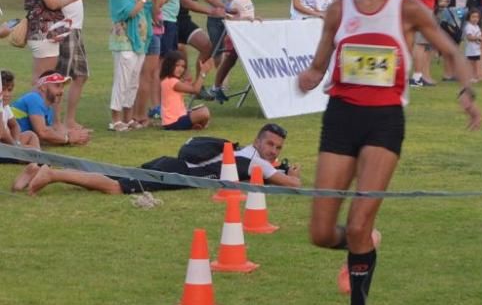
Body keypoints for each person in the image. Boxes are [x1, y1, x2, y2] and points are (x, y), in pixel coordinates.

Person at [297, 0, 481, 305]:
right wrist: (309, 75)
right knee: (321, 233)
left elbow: (449, 47)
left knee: (359, 220)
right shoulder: (339, 9)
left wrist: (467, 90)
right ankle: (365, 245)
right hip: (341, 116)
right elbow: (320, 63)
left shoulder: (407, 8)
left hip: (384, 121)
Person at [15, 122, 302, 196]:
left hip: (171, 164)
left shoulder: (244, 152)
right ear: (258, 141)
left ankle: (36, 169)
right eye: (270, 144)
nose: (273, 151)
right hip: (176, 173)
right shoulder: (258, 163)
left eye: (277, 147)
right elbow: (291, 185)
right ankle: (53, 174)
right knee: (115, 187)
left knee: (115, 178)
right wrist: (295, 175)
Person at [134, 0, 180, 127]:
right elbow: (153, 6)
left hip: (157, 31)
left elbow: (160, 2)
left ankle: (142, 113)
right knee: (145, 75)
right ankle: (139, 114)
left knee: (150, 73)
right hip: (147, 32)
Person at [49, 0, 90, 129]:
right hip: (63, 29)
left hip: (77, 28)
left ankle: (69, 120)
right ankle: (56, 122)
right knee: (59, 79)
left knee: (81, 75)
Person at [107, 0, 154, 131]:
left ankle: (128, 118)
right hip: (123, 42)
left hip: (139, 42)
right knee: (122, 80)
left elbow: (147, 12)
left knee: (133, 81)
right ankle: (115, 119)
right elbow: (129, 13)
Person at [10, 71, 90, 146]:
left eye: (62, 87)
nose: (61, 91)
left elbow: (48, 134)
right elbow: (42, 133)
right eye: (57, 86)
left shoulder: (49, 109)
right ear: (44, 87)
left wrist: (73, 135)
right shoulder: (34, 98)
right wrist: (68, 138)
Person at [212, 0, 258, 95]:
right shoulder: (236, 1)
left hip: (247, 37)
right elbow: (229, 18)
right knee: (229, 61)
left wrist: (255, 19)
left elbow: (249, 15)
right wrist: (244, 20)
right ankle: (216, 86)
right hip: (234, 37)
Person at [159, 50, 212, 130]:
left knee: (202, 110)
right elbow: (195, 90)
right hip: (174, 122)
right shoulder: (172, 82)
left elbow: (193, 86)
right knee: (204, 112)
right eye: (177, 66)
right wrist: (203, 73)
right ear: (169, 65)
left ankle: (196, 126)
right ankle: (196, 125)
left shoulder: (168, 80)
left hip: (178, 118)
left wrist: (190, 81)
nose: (180, 69)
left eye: (183, 66)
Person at [1, 70, 41, 150]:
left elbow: (15, 126)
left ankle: (35, 160)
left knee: (30, 135)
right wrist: (15, 147)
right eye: (3, 90)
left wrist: (17, 142)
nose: (6, 94)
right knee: (31, 150)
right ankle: (37, 158)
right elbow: (2, 134)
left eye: (9, 90)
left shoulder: (6, 107)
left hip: (8, 143)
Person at [463, 7, 482, 82]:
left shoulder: (477, 26)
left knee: (475, 63)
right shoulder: (468, 26)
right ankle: (470, 76)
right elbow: (469, 37)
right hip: (471, 49)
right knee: (471, 63)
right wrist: (479, 38)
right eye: (473, 17)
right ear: (469, 17)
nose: (475, 19)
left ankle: (475, 76)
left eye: (477, 17)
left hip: (476, 49)